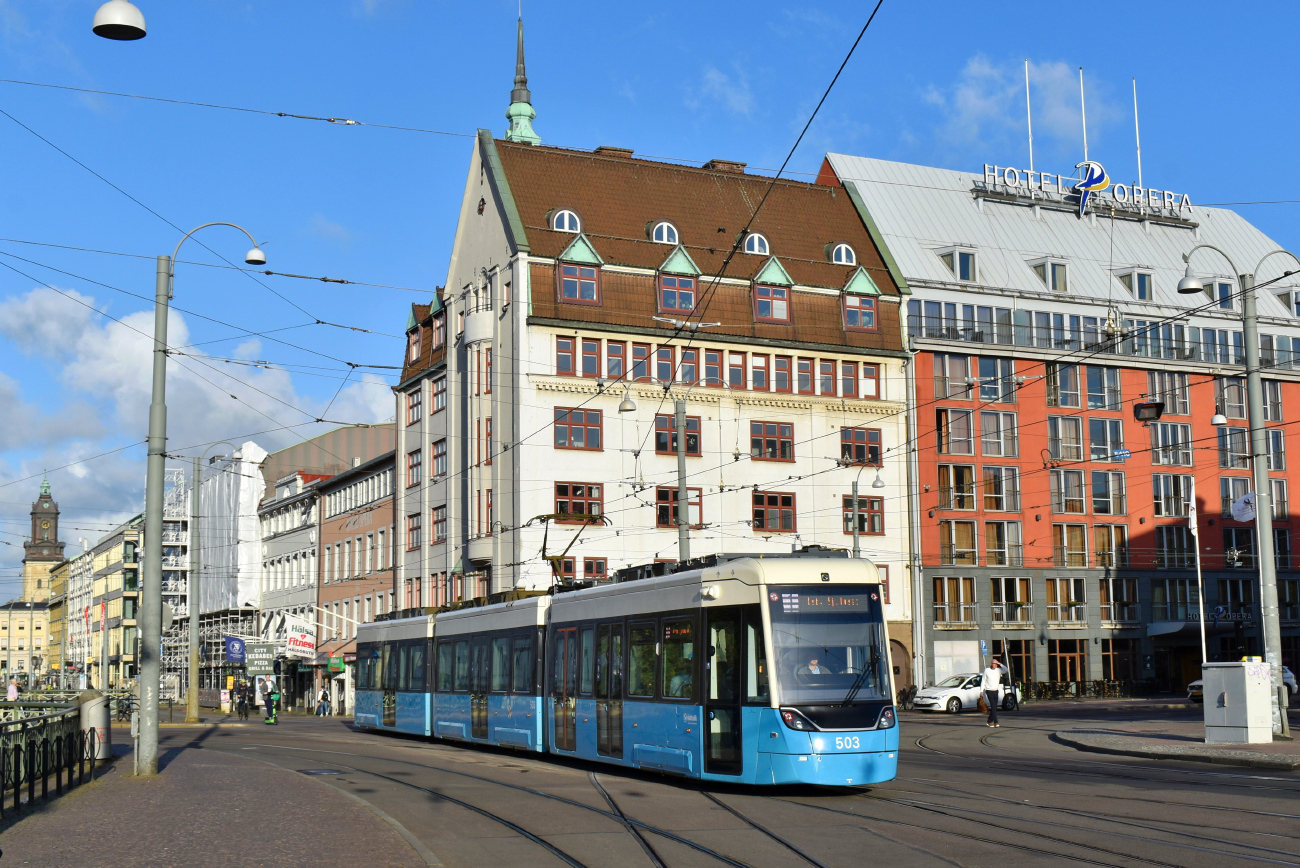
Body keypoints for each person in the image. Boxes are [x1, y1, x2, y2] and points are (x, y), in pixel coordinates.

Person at [982, 659, 1004, 727]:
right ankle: (996, 722)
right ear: (991, 664)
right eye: (994, 663)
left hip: (996, 690)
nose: (995, 665)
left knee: (994, 707)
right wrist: (981, 691)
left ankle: (989, 721)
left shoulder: (998, 670)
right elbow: (983, 681)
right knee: (993, 706)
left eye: (996, 664)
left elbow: (1006, 670)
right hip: (989, 690)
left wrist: (1000, 664)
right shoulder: (987, 670)